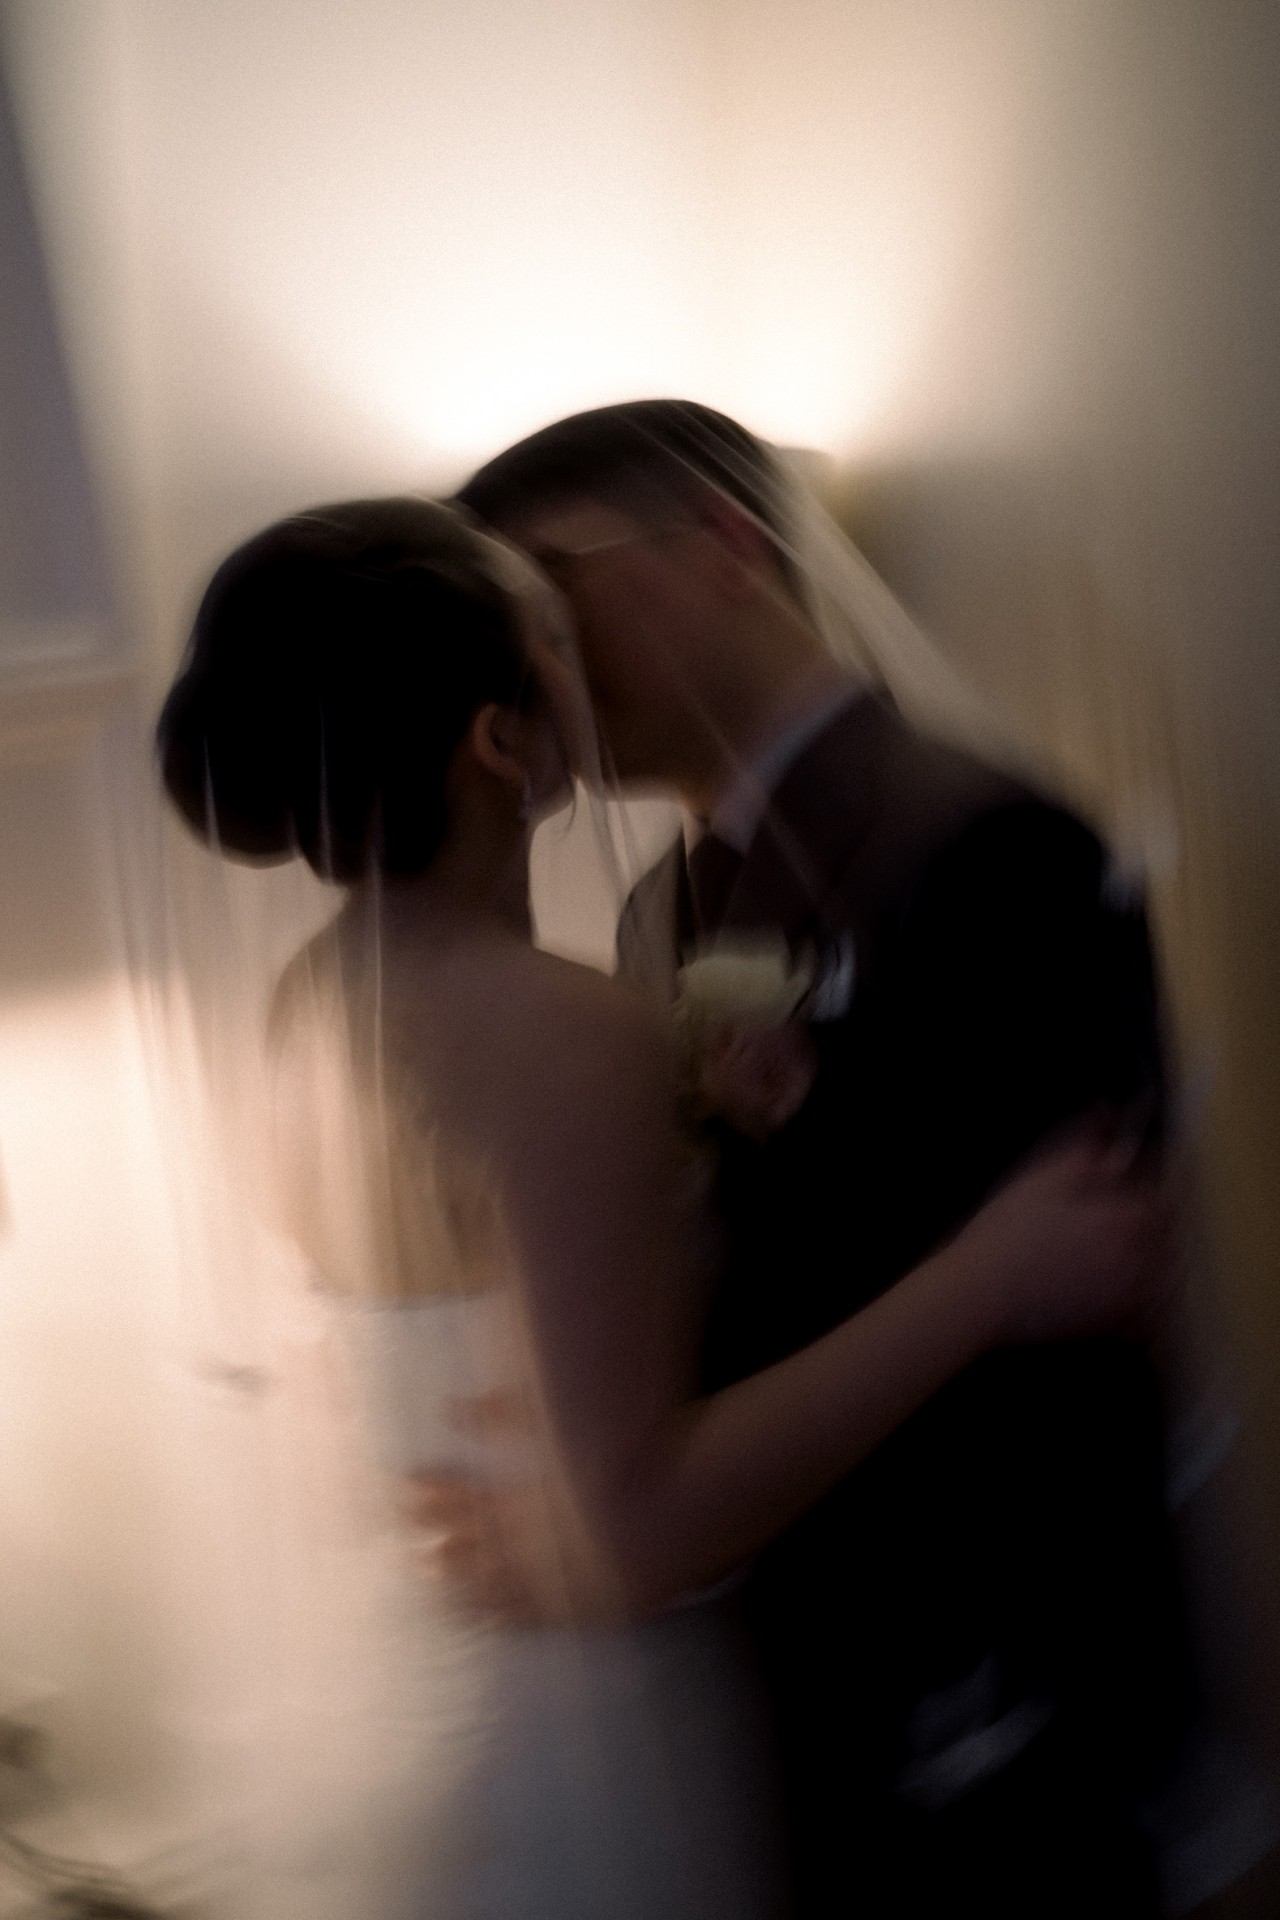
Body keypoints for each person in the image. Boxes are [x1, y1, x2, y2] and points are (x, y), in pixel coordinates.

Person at [156, 493, 1173, 1920]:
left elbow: (475, 1332)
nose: (580, 653)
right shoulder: (565, 1032)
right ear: (502, 741)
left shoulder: (302, 1008)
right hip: (604, 1734)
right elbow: (635, 1526)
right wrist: (988, 1278)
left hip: (448, 1711)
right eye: (548, 633)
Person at [454, 402, 1201, 1917]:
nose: (537, 671)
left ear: (728, 544)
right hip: (789, 1665)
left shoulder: (991, 845)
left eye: (557, 593)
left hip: (981, 1700)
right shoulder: (659, 906)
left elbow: (1084, 1291)